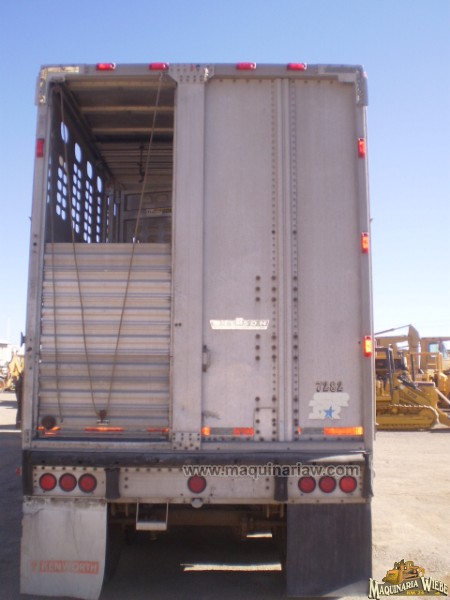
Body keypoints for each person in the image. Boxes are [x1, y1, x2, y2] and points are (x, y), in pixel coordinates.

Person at [8, 350, 24, 429]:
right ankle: (19, 423)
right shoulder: (17, 359)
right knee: (21, 405)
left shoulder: (17, 359)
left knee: (20, 405)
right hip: (21, 384)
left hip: (20, 383)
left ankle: (19, 423)